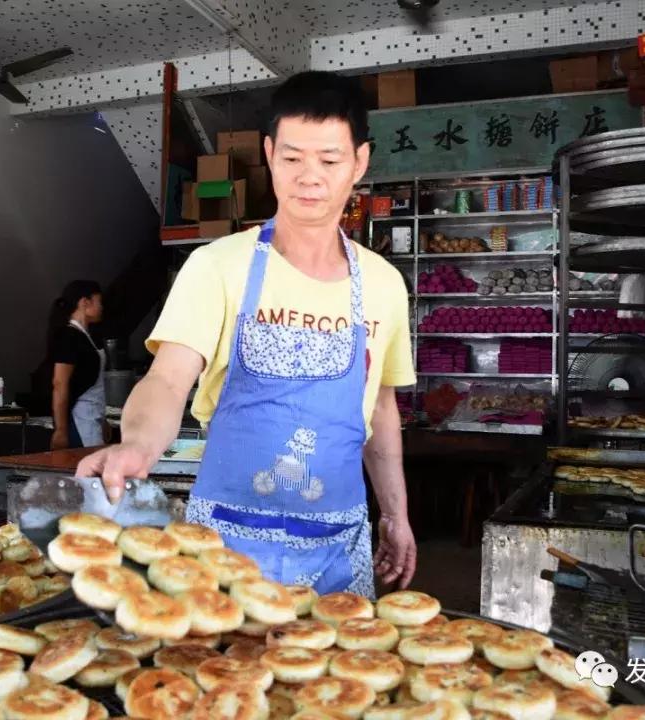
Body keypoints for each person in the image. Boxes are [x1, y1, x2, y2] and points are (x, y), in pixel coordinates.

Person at [77, 71, 417, 595]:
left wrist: (395, 515)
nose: (309, 177)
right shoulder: (217, 266)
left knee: (336, 675)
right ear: (268, 152)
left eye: (329, 161)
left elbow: (379, 410)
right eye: (292, 158)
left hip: (337, 549)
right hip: (224, 546)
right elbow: (168, 380)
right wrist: (138, 446)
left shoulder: (384, 284)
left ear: (360, 162)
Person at [48, 280, 107, 449]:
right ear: (85, 302)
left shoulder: (87, 336)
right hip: (79, 419)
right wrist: (61, 429)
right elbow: (60, 384)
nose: (101, 307)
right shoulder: (68, 336)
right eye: (99, 301)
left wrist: (102, 419)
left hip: (93, 417)